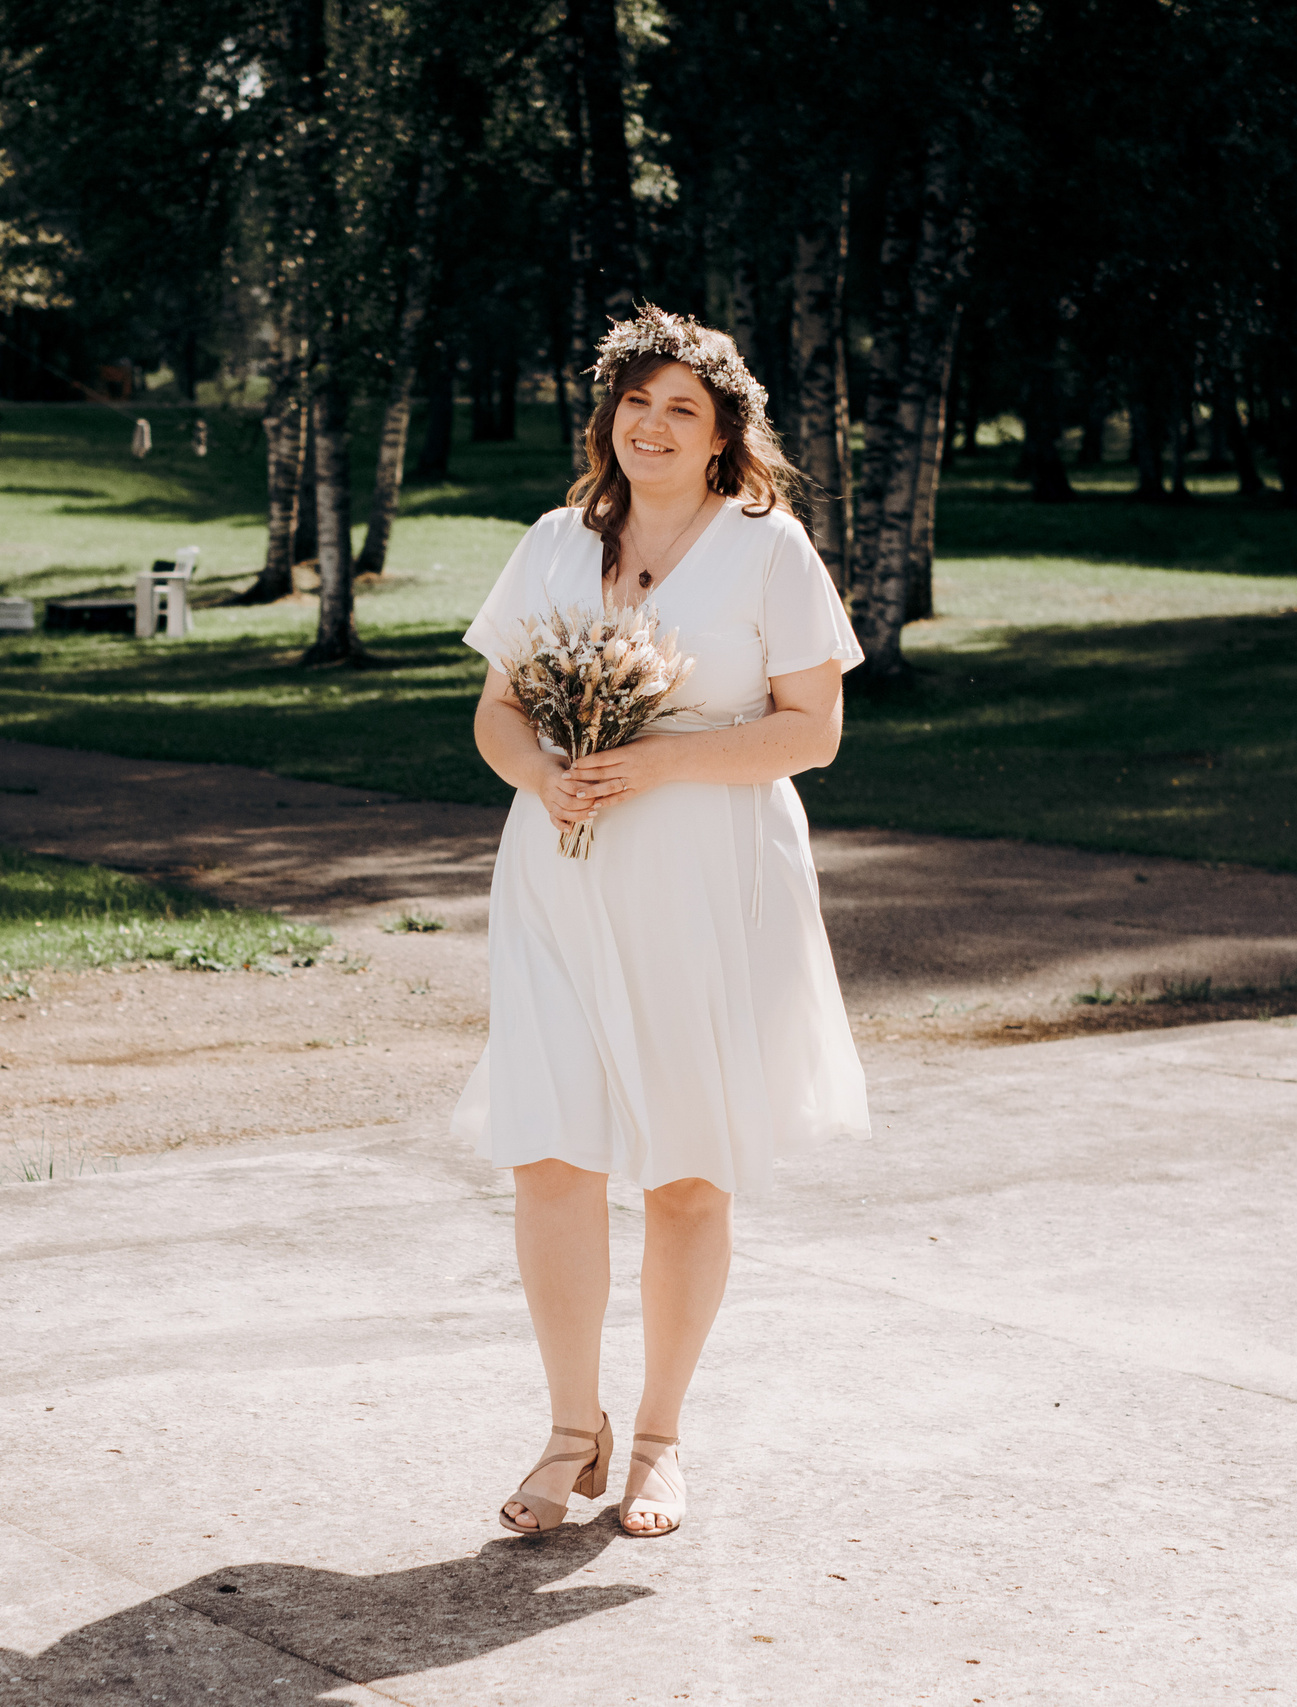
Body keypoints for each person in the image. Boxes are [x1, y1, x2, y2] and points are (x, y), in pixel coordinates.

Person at [458, 305, 870, 1538]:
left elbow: (814, 731)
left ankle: (657, 1442)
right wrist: (545, 775)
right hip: (558, 871)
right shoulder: (550, 542)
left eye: (680, 409)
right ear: (607, 419)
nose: (652, 425)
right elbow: (494, 713)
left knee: (688, 1169)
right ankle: (566, 1431)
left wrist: (657, 767)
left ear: (721, 433)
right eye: (634, 404)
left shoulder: (768, 549)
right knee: (550, 1151)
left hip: (708, 877)